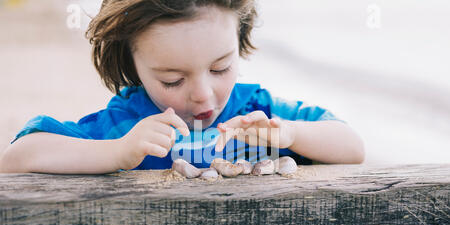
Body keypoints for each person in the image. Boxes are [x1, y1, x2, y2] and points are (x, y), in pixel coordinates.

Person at [0, 0, 365, 174]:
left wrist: (290, 133)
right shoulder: (128, 126)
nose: (203, 95)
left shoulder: (260, 114)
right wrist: (117, 152)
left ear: (240, 40)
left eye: (220, 67)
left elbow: (353, 147)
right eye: (172, 79)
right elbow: (17, 158)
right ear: (133, 66)